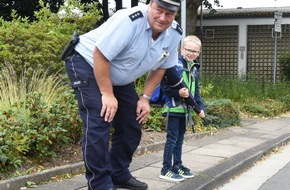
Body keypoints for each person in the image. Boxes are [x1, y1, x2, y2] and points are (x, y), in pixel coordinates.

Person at [64, 0, 182, 189]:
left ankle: (118, 173)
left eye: (169, 14)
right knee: (100, 117)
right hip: (87, 62)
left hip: (117, 75)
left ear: (175, 14)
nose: (163, 18)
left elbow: (163, 66)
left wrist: (145, 97)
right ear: (150, 4)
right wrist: (107, 94)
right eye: (159, 11)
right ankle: (100, 183)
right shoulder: (130, 20)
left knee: (132, 120)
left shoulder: (174, 33)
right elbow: (100, 54)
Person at [159, 35, 206, 182]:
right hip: (173, 109)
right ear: (182, 49)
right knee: (171, 139)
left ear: (198, 53)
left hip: (185, 111)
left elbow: (195, 92)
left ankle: (177, 165)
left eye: (195, 51)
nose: (191, 53)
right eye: (188, 50)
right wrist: (178, 93)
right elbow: (164, 88)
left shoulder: (194, 69)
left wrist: (200, 108)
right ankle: (166, 168)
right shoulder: (175, 65)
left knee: (179, 140)